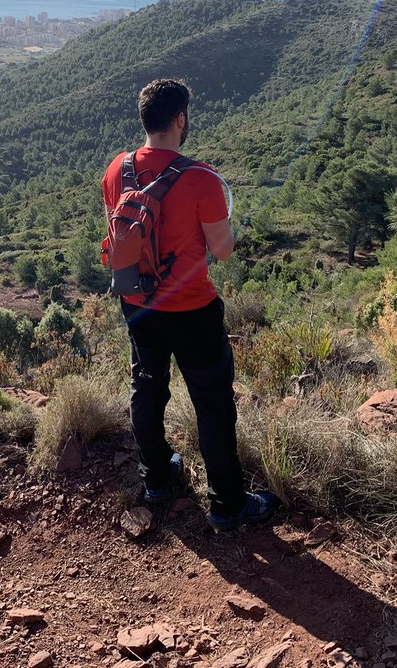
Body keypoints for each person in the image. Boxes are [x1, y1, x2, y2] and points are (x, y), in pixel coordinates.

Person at [102, 78, 278, 530]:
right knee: (213, 404)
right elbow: (221, 250)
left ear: (145, 119)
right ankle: (227, 503)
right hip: (193, 309)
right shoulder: (202, 179)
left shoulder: (116, 170)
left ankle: (156, 479)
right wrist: (228, 231)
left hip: (138, 303)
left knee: (147, 387)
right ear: (181, 119)